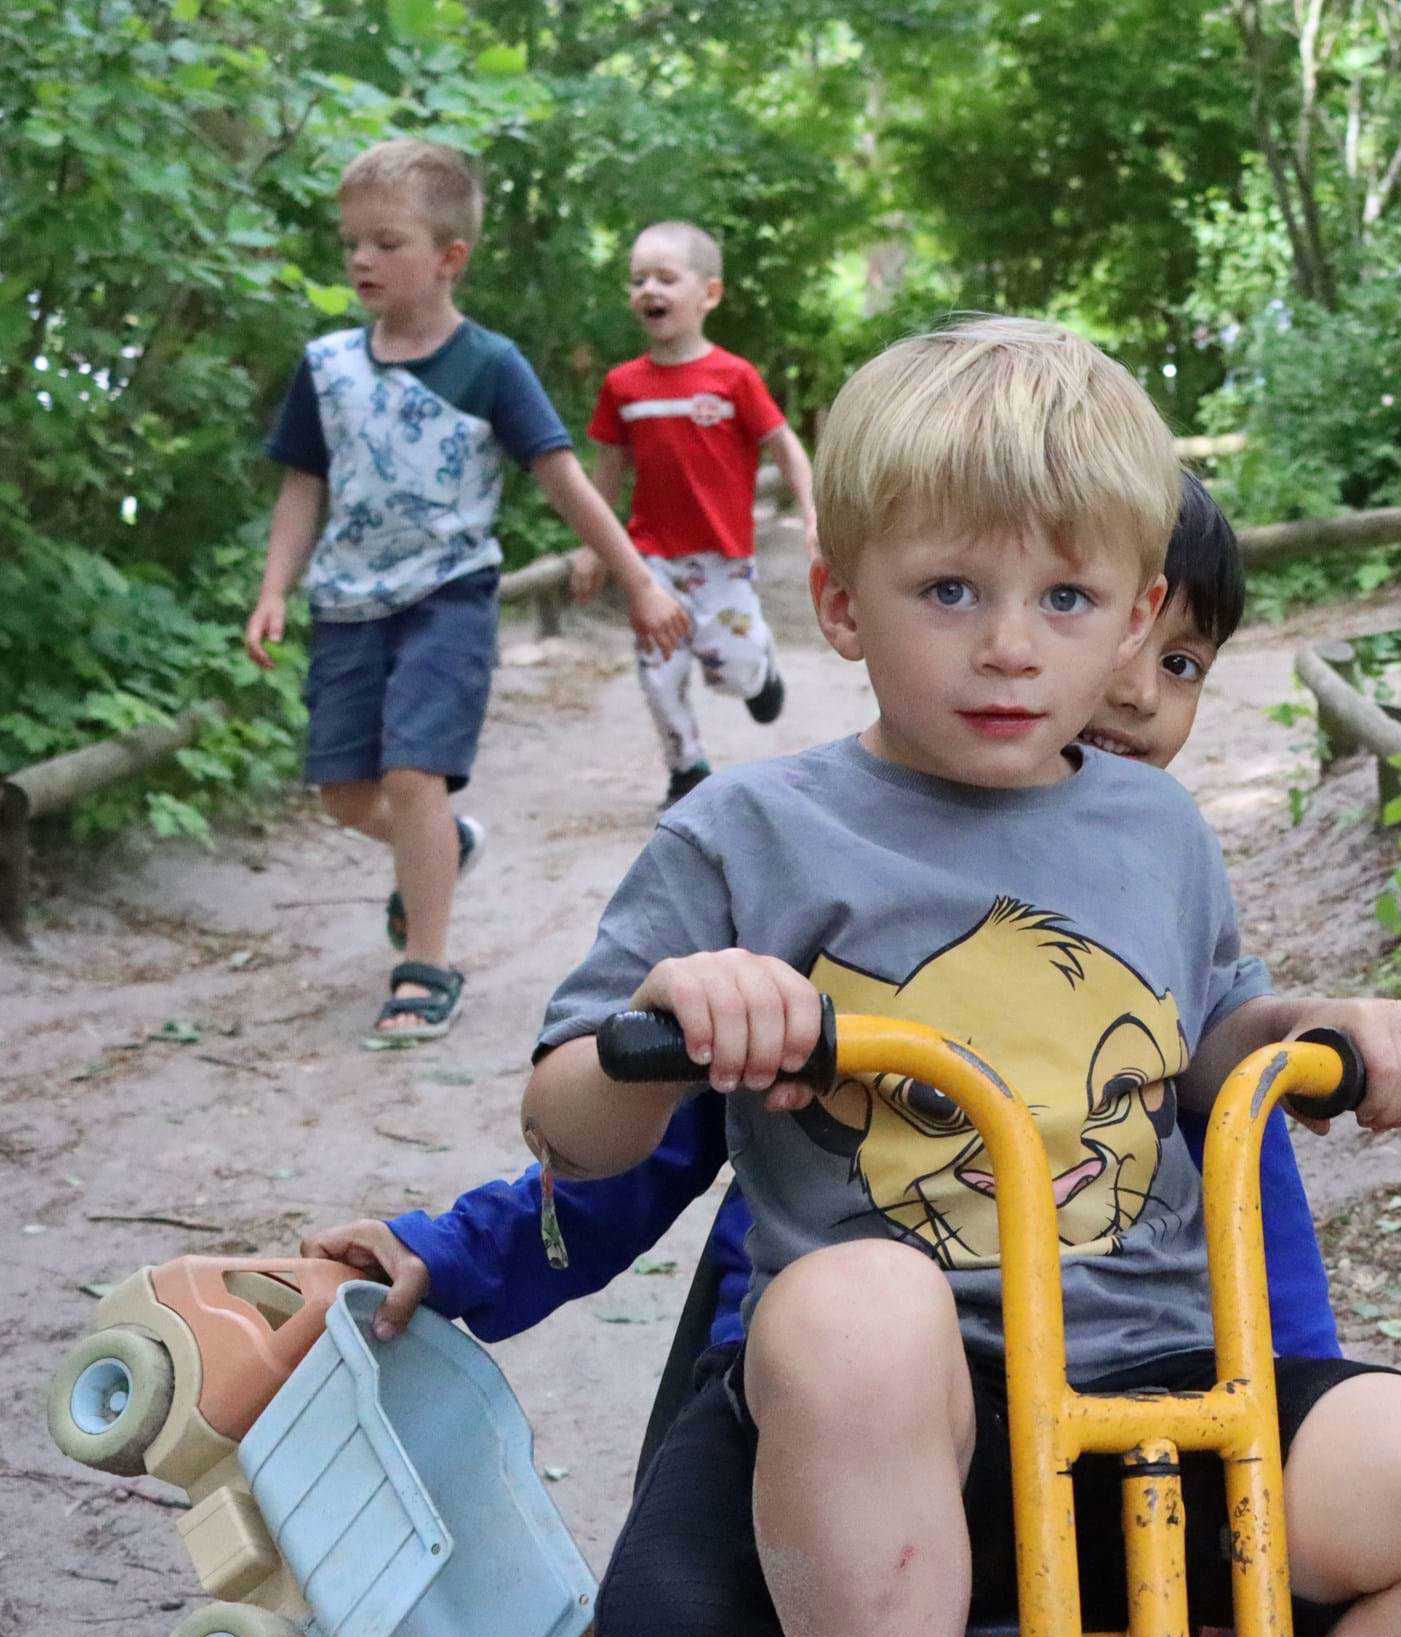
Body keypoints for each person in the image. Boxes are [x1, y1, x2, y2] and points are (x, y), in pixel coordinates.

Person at [516, 317, 1401, 1637]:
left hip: (1154, 1392)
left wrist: (1318, 1031)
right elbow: (570, 1125)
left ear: (1137, 615)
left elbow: (1214, 1051)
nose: (1011, 643)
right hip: (875, 1422)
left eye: (1066, 597)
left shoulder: (1155, 829)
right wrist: (672, 1025)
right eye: (949, 588)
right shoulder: (746, 838)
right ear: (838, 603)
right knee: (695, 1585)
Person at [303, 475, 1336, 1377]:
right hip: (834, 1372)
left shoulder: (1159, 931)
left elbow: (1265, 1241)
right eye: (1097, 629)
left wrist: (1281, 1455)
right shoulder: (812, 880)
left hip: (1128, 1392)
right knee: (682, 1600)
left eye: (1181, 662)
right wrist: (451, 1254)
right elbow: (640, 1145)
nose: (1134, 691)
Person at [243, 137, 689, 1049]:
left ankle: (426, 967)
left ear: (450, 257)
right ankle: (447, 842)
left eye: (387, 242)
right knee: (342, 793)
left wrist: (639, 580)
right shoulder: (327, 367)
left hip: (447, 597)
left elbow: (562, 477)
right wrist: (272, 588)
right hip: (347, 604)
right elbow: (302, 484)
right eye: (352, 243)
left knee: (415, 775)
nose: (362, 259)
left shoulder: (489, 365)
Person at [568, 219, 818, 807]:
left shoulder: (733, 377)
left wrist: (811, 513)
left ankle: (760, 674)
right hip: (648, 555)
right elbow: (605, 472)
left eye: (665, 278)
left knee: (729, 667)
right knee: (658, 670)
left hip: (723, 554)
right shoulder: (623, 385)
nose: (648, 290)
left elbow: (785, 446)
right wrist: (592, 548)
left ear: (708, 294)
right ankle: (687, 768)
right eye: (637, 280)